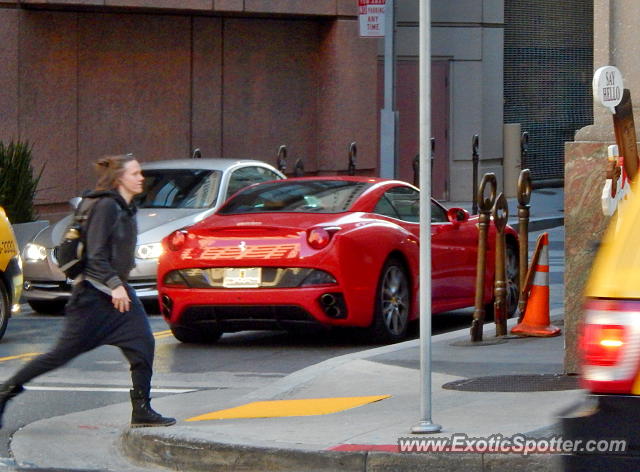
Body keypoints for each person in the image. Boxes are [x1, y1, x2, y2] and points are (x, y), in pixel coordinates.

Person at [0, 154, 175, 428]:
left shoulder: (123, 206)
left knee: (143, 343)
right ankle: (6, 391)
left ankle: (141, 409)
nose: (141, 177)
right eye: (135, 173)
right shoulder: (105, 206)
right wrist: (116, 285)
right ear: (120, 178)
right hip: (93, 298)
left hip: (117, 293)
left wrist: (119, 284)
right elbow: (96, 255)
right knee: (59, 355)